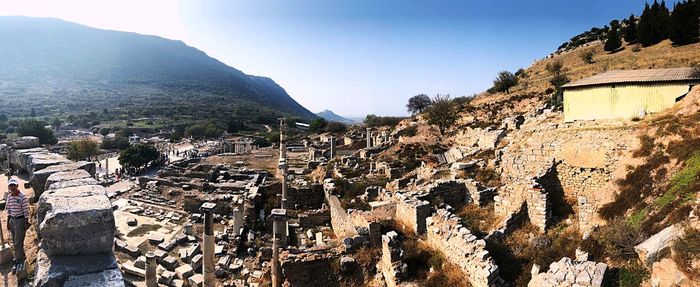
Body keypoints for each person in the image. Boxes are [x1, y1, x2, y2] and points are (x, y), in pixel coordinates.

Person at [5, 178, 30, 274]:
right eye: (10, 185)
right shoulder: (9, 197)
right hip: (12, 220)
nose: (12, 187)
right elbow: (9, 211)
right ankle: (21, 255)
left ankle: (18, 260)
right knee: (14, 240)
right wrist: (8, 222)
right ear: (9, 187)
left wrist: (26, 222)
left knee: (17, 242)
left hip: (20, 220)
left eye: (14, 185)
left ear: (17, 186)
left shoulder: (22, 197)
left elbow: (26, 211)